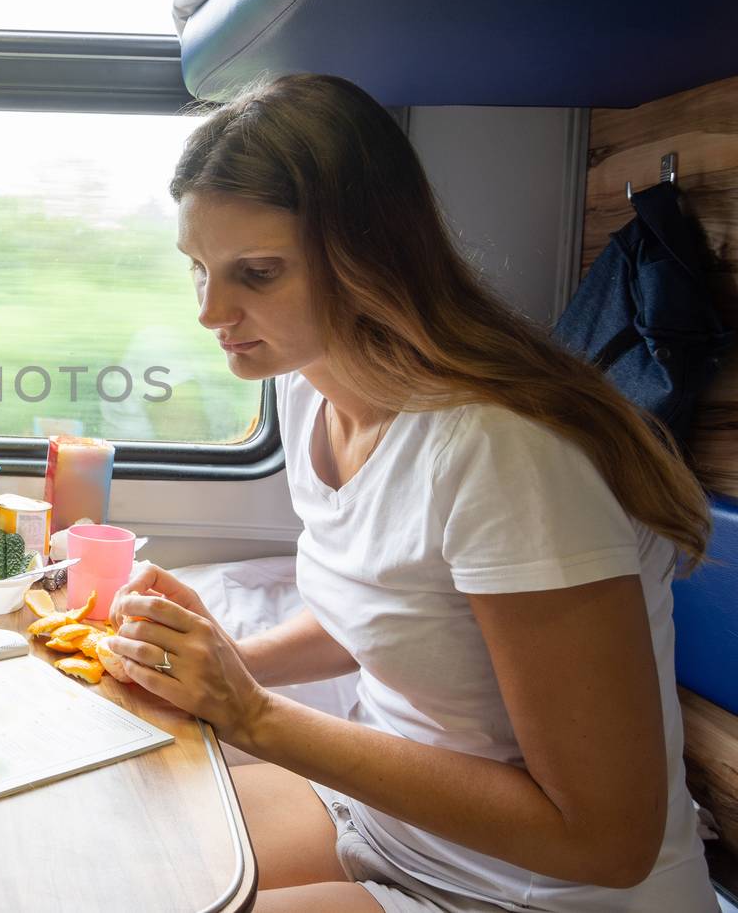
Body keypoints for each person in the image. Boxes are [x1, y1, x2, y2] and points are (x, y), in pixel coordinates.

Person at [105, 75, 717, 912]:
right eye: (198, 269)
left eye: (256, 271)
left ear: (363, 254)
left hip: (538, 891)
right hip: (394, 821)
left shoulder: (504, 452)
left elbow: (607, 840)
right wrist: (228, 660)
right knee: (117, 855)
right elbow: (400, 608)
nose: (213, 309)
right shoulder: (307, 389)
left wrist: (253, 714)